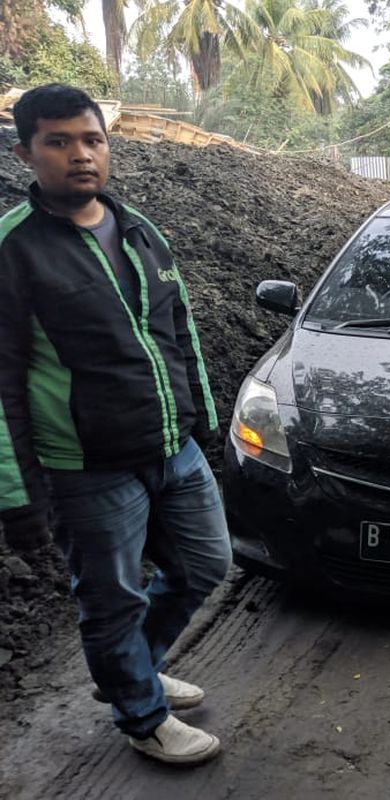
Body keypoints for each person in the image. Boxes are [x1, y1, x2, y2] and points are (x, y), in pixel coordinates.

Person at [0, 84, 230, 766]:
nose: (80, 155)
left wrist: (204, 419)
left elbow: (179, 327)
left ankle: (134, 669)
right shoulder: (13, 251)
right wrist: (16, 494)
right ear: (26, 153)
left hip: (173, 448)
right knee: (112, 600)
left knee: (205, 565)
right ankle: (141, 716)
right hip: (86, 467)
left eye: (92, 139)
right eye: (59, 141)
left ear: (108, 146)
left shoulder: (139, 229)